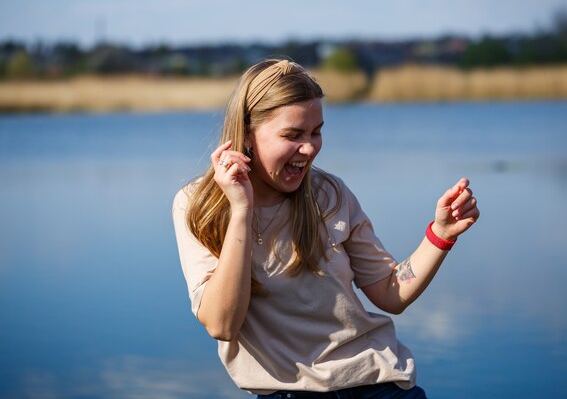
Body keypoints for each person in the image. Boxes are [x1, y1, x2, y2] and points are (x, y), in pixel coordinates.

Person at [172, 58, 480, 399]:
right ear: (247, 134)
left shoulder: (329, 194)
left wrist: (441, 235)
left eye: (316, 131)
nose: (309, 149)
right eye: (292, 135)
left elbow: (391, 293)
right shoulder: (198, 207)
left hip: (379, 387)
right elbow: (222, 324)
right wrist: (241, 209)